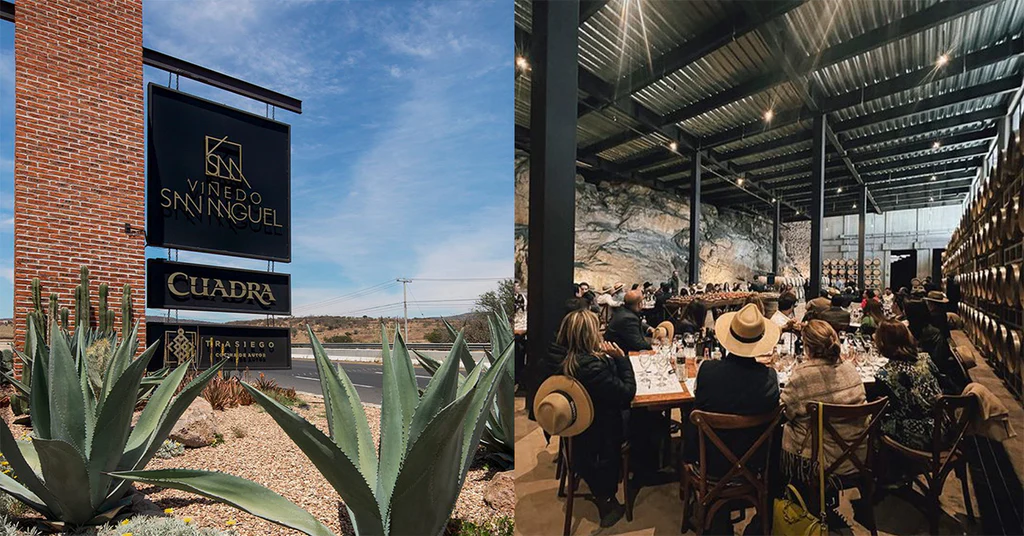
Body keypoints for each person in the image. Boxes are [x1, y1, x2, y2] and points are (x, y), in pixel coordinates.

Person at [552, 309, 635, 526]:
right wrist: (621, 360)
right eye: (598, 329)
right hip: (601, 435)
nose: (601, 332)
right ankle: (608, 497)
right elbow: (626, 393)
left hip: (578, 430)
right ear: (589, 335)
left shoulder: (564, 360)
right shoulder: (593, 367)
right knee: (641, 419)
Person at [687, 304, 781, 478]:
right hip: (754, 464)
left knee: (690, 411)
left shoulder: (706, 370)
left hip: (709, 461)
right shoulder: (770, 378)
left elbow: (698, 399)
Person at [781, 320, 867, 480]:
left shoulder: (802, 375)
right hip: (856, 456)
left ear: (807, 346)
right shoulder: (850, 369)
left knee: (782, 430)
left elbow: (785, 412)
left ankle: (785, 496)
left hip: (818, 461)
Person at [872, 321, 944, 451]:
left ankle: (882, 468)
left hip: (918, 436)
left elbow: (882, 408)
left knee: (874, 423)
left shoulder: (885, 374)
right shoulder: (926, 359)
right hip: (942, 428)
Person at [905, 300, 964, 393]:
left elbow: (935, 362)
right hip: (923, 370)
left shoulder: (931, 333)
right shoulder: (923, 328)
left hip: (929, 376)